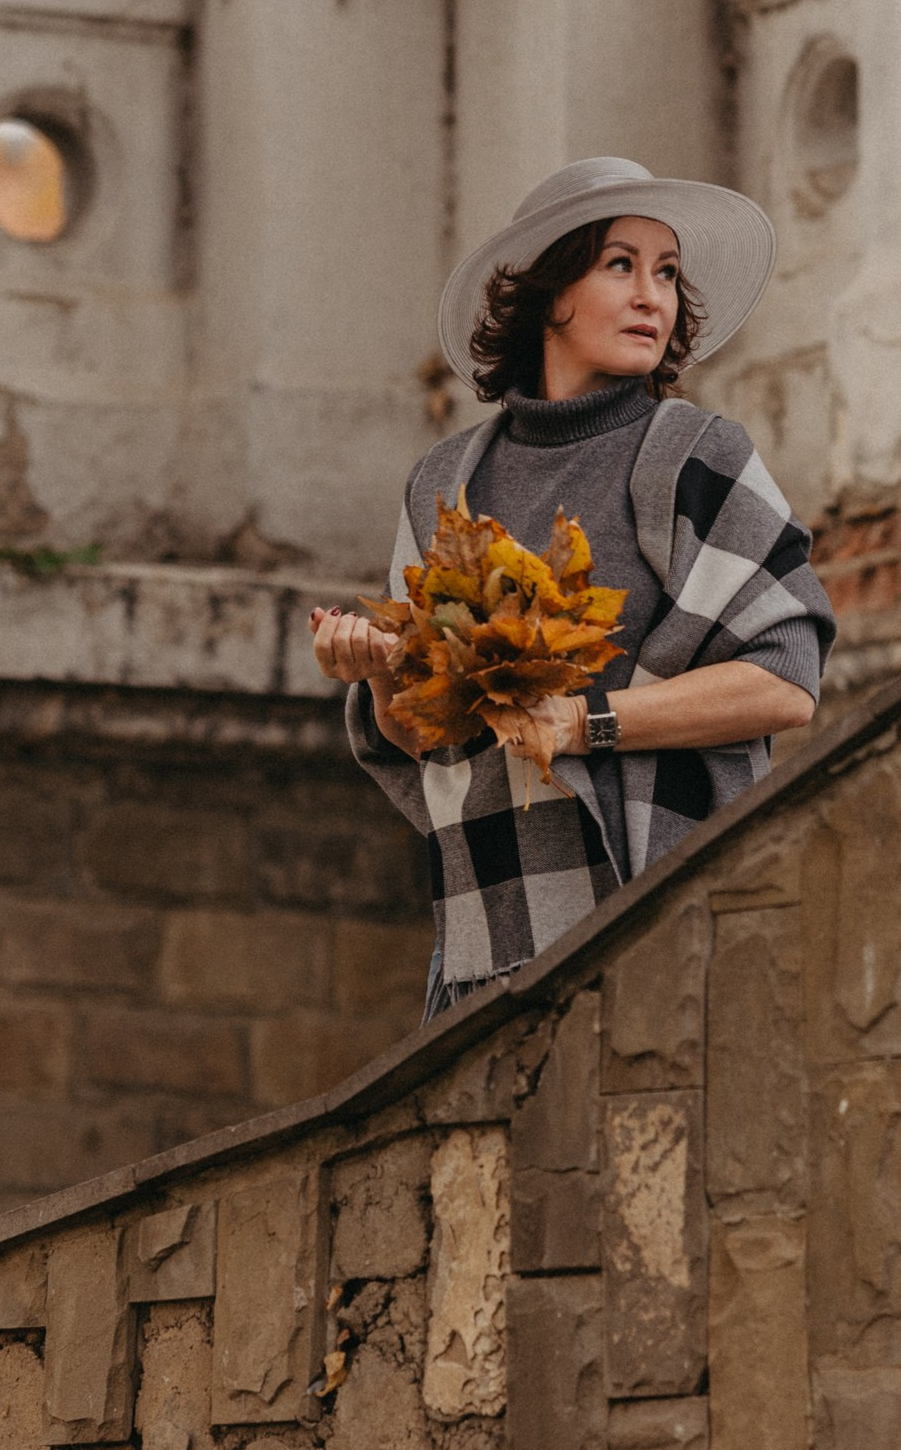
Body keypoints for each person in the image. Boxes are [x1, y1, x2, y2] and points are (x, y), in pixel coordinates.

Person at [311, 155, 834, 1017]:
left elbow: (786, 682)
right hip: (489, 936)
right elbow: (428, 739)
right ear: (549, 291)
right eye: (620, 265)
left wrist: (584, 724)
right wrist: (372, 672)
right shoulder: (445, 480)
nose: (652, 297)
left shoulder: (697, 455)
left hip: (662, 927)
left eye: (667, 272)